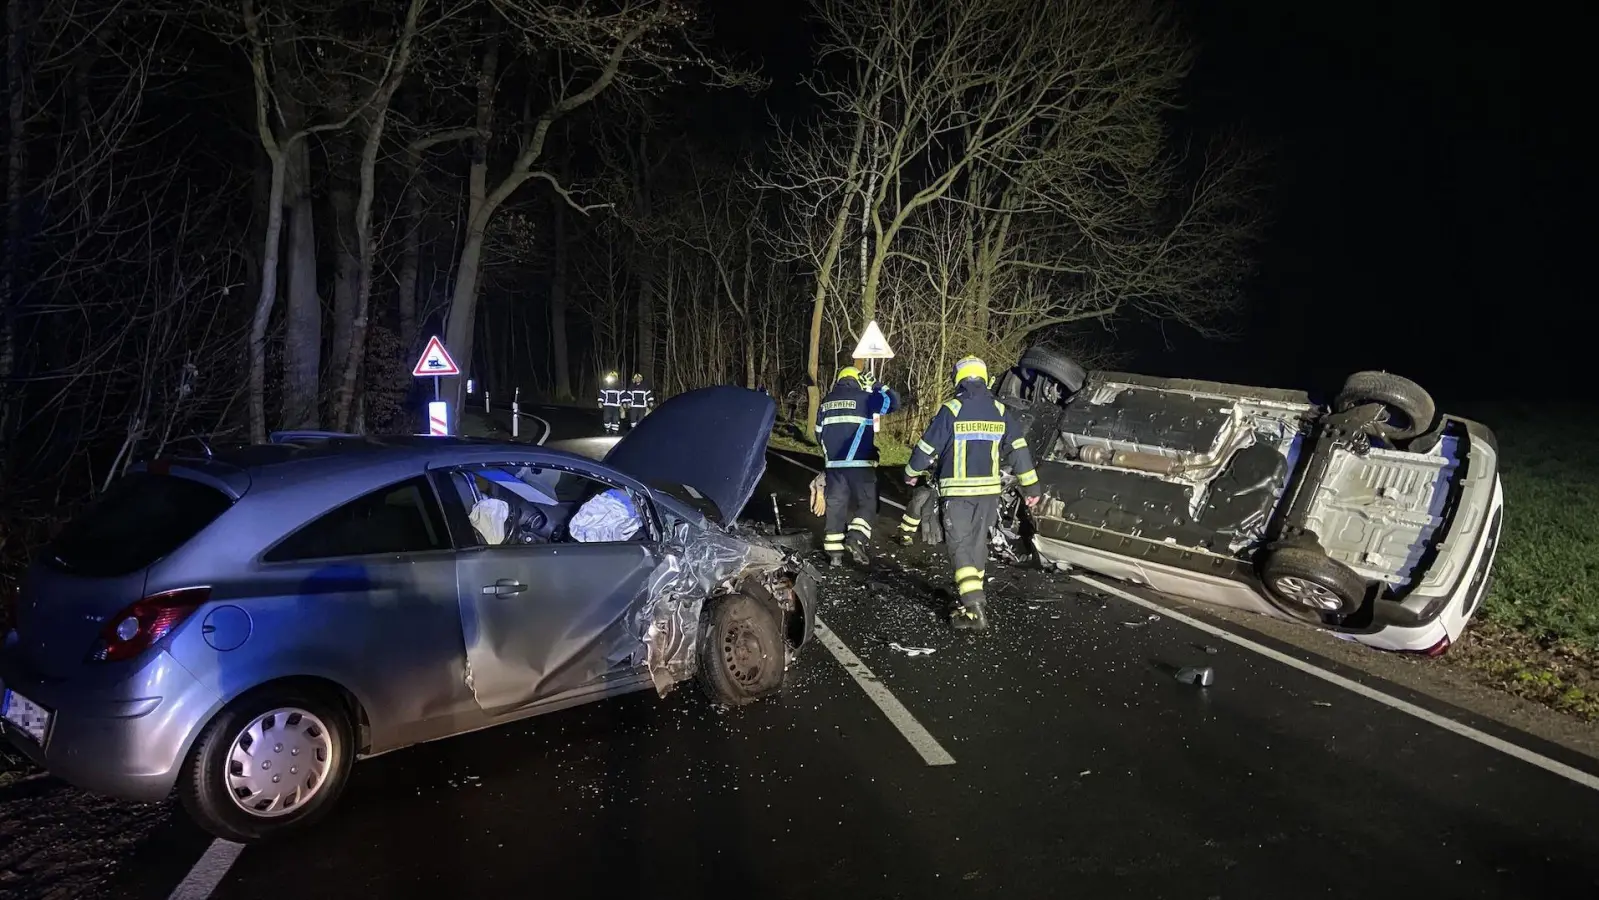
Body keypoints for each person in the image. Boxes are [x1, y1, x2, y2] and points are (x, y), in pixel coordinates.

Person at [904, 356, 1041, 631]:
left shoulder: (952, 409)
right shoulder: (1001, 410)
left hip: (957, 495)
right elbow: (1019, 450)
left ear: (958, 379)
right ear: (985, 378)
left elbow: (927, 448)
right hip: (989, 496)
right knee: (977, 545)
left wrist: (911, 471)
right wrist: (1032, 487)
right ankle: (969, 606)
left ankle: (975, 606)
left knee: (959, 546)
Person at [816, 366, 899, 567]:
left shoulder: (826, 403)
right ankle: (855, 538)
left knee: (835, 508)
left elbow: (818, 434)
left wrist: (830, 456)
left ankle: (834, 555)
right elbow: (893, 403)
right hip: (861, 464)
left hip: (835, 466)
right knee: (868, 504)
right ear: (858, 380)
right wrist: (878, 385)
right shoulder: (864, 398)